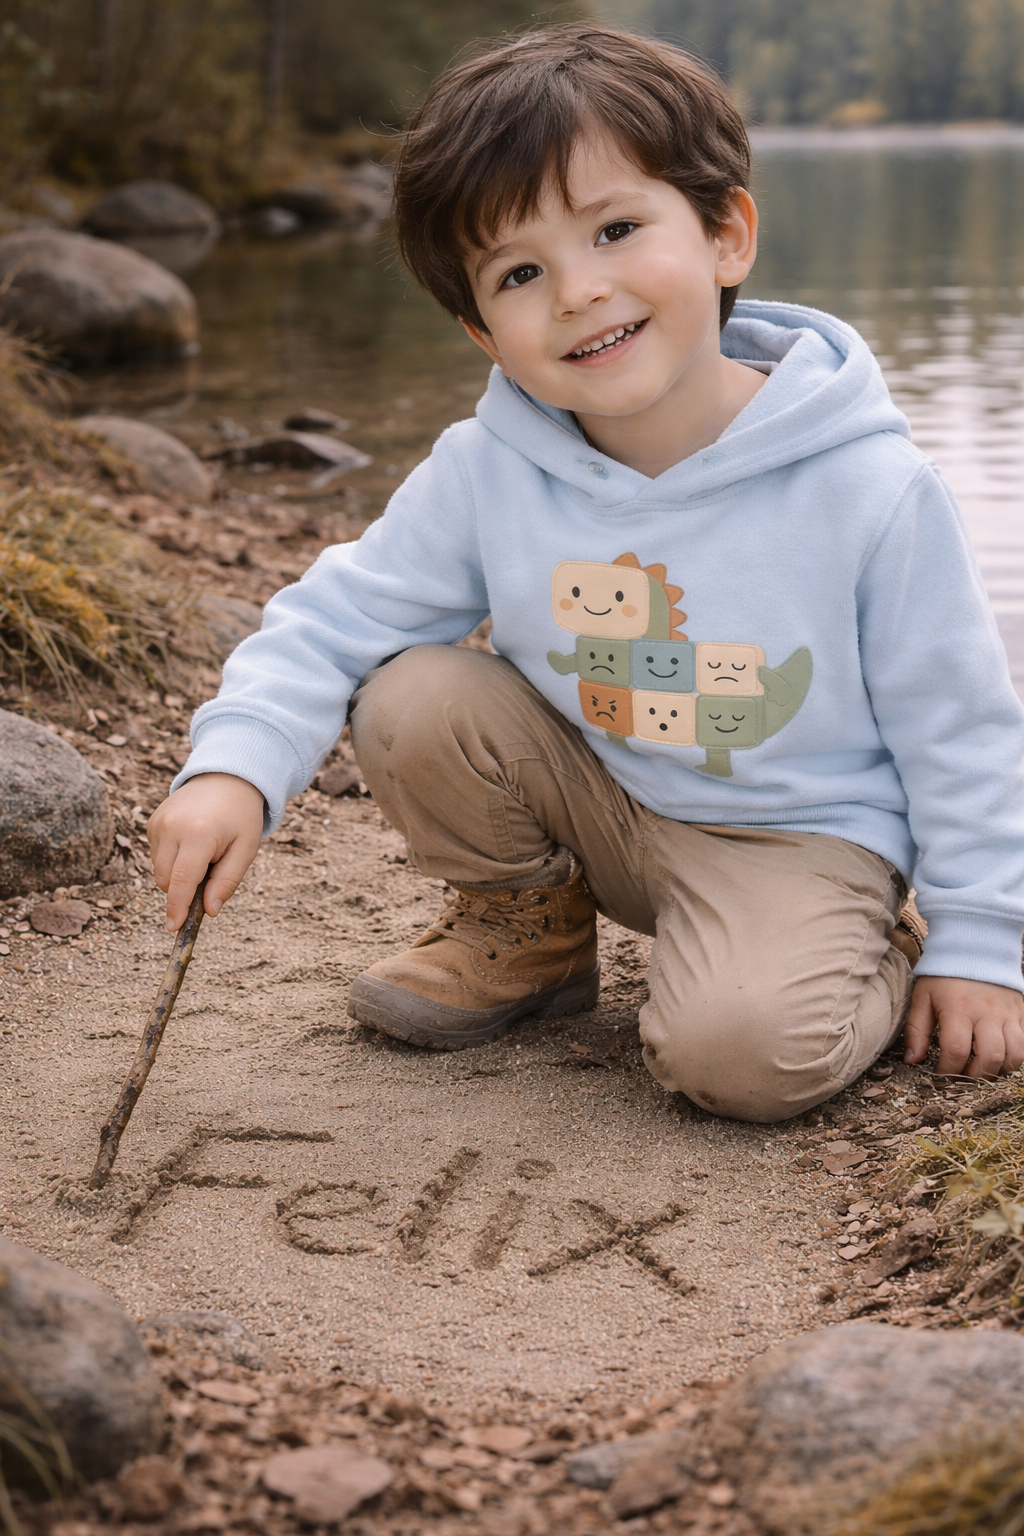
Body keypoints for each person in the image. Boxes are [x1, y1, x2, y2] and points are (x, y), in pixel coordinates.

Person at [148, 25, 1024, 1123]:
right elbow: (335, 618)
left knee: (740, 1063)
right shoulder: (489, 468)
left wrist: (983, 939)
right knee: (412, 689)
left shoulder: (871, 487)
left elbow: (962, 724)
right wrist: (233, 767)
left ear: (725, 234)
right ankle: (532, 935)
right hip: (599, 806)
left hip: (799, 836)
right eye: (520, 271)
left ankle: (871, 944)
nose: (577, 291)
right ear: (482, 333)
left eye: (615, 228)